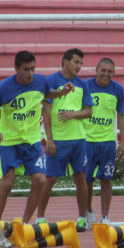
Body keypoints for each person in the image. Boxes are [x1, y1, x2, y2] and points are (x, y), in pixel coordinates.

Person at [0, 51, 73, 248]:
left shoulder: (41, 81)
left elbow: (47, 93)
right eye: (26, 70)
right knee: (7, 183)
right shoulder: (4, 88)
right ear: (16, 69)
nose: (31, 73)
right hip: (10, 141)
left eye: (33, 68)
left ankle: (23, 225)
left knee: (40, 180)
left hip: (32, 140)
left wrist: (61, 93)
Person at [37, 48, 94, 232]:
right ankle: (40, 218)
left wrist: (73, 114)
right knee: (50, 179)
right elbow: (45, 112)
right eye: (76, 62)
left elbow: (88, 111)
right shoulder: (51, 81)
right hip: (58, 140)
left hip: (78, 139)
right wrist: (49, 139)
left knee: (80, 177)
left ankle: (81, 218)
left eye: (81, 63)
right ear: (65, 61)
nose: (79, 66)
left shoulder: (82, 84)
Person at [83, 58, 124, 225]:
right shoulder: (86, 86)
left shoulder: (118, 89)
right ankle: (88, 212)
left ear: (114, 73)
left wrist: (123, 141)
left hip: (108, 142)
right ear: (96, 70)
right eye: (103, 70)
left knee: (106, 179)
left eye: (110, 71)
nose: (106, 74)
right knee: (86, 179)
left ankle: (105, 216)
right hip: (87, 141)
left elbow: (122, 115)